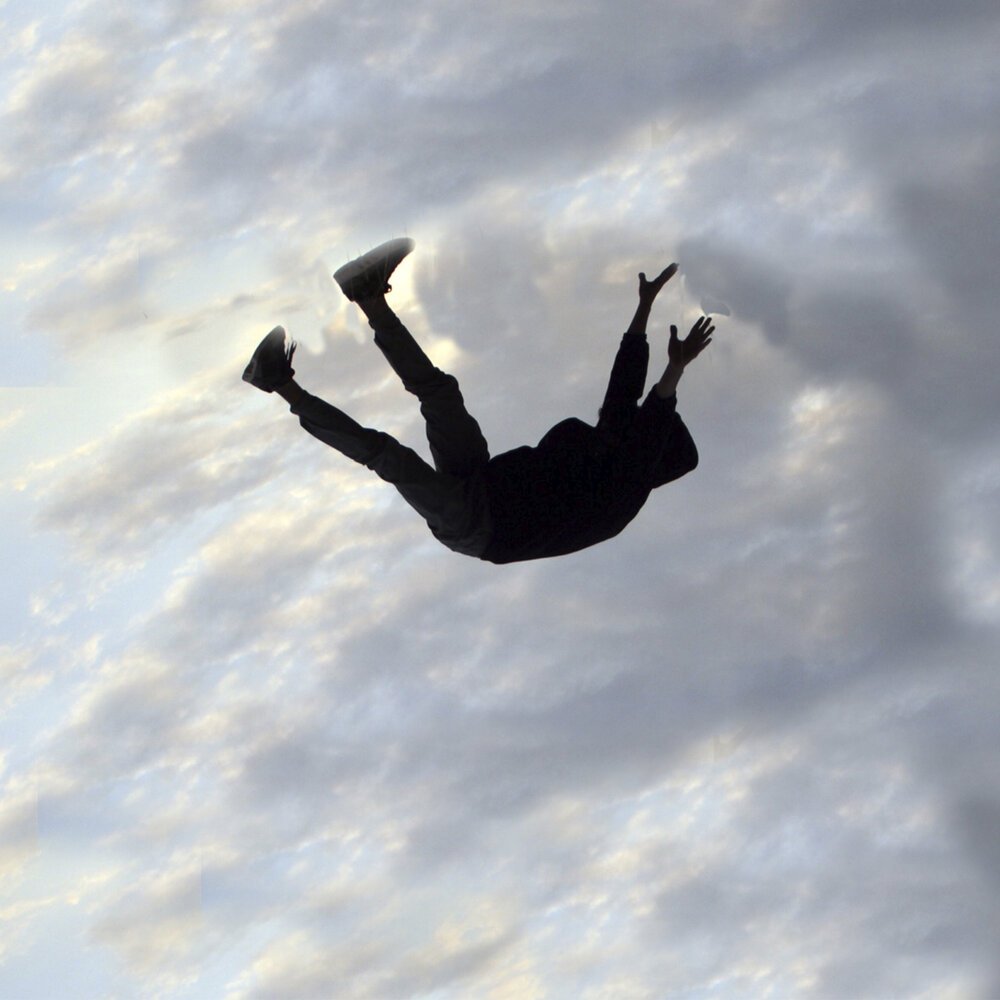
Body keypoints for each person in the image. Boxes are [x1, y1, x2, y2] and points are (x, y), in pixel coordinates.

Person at [242, 238, 713, 564]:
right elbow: (624, 392)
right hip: (484, 481)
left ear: (652, 456)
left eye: (642, 431)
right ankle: (368, 296)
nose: (632, 421)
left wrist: (676, 369)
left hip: (475, 525)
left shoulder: (625, 489)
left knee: (388, 455)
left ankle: (279, 382)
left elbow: (651, 415)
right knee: (441, 395)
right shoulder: (614, 447)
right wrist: (645, 305)